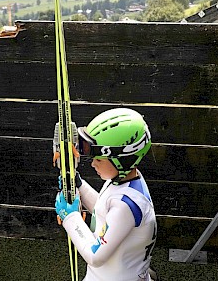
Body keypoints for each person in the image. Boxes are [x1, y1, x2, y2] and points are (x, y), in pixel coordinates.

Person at [55, 108, 158, 281]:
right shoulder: (126, 182)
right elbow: (104, 212)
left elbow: (96, 256)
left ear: (122, 160)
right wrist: (79, 185)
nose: (93, 164)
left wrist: (70, 218)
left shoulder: (126, 204)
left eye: (99, 159)